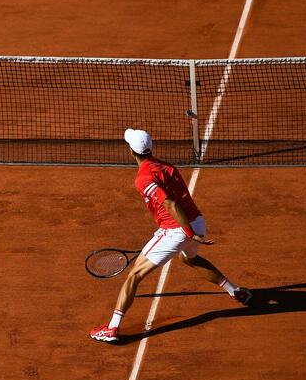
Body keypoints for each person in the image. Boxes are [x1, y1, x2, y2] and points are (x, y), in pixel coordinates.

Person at [89, 128, 251, 343]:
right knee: (189, 259)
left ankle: (112, 328)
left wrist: (186, 233)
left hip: (179, 230)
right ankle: (236, 291)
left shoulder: (143, 178)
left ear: (131, 152)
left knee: (135, 275)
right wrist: (189, 231)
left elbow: (170, 203)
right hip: (197, 222)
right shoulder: (167, 167)